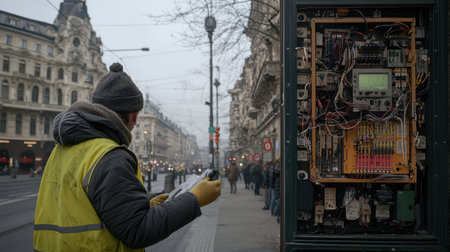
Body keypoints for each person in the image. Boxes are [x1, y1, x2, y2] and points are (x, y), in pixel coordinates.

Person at [33, 63, 221, 251]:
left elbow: (88, 206)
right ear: (134, 115)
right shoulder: (109, 155)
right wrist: (194, 199)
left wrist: (146, 203)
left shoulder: (62, 149)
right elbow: (138, 230)